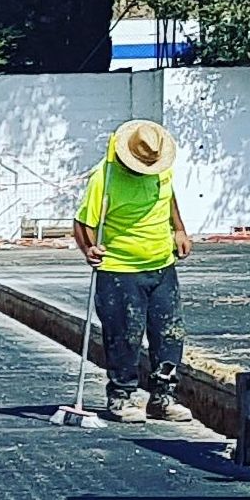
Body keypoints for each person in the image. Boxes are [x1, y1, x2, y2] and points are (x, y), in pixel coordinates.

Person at [74, 115, 191, 421]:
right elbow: (83, 222)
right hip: (120, 270)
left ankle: (163, 397)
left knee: (170, 334)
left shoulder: (160, 172)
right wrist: (90, 249)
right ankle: (121, 397)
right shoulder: (106, 177)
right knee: (125, 336)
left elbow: (169, 199)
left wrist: (179, 229)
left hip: (162, 266)